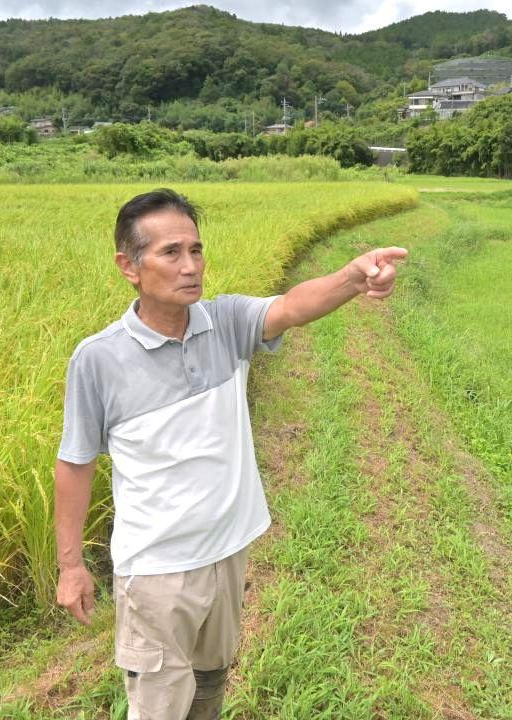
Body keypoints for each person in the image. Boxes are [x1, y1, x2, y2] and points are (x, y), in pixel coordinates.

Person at [54, 188, 407, 719]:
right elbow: (74, 463)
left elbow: (291, 306)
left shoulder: (225, 323)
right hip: (156, 571)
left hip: (228, 552)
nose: (190, 266)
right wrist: (71, 566)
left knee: (210, 685)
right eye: (171, 252)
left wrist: (354, 278)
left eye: (196, 250)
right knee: (159, 706)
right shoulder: (99, 360)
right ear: (129, 266)